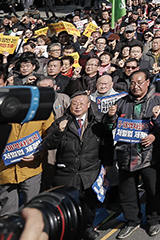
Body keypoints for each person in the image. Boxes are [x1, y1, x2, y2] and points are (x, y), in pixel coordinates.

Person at [42, 91, 114, 240]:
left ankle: (88, 229)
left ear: (88, 105)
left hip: (90, 171)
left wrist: (107, 164)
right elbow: (48, 144)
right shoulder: (61, 122)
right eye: (74, 103)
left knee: (89, 205)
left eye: (82, 103)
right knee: (67, 208)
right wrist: (59, 132)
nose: (78, 106)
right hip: (66, 172)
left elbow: (107, 144)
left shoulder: (97, 122)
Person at [105, 70, 160, 239]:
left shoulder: (159, 100)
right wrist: (110, 117)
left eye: (140, 82)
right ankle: (132, 220)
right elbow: (109, 128)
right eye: (132, 83)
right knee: (127, 191)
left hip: (149, 156)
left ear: (148, 82)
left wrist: (154, 135)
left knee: (153, 189)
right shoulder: (121, 102)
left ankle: (154, 219)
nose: (136, 86)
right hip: (126, 155)